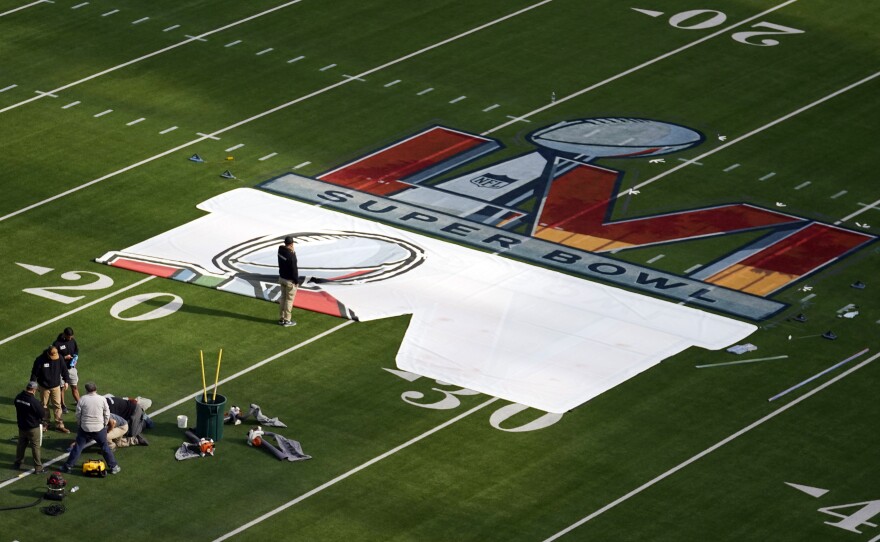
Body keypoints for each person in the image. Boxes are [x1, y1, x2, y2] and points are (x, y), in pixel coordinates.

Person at [59, 382, 120, 475]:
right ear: (96, 389)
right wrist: (104, 424)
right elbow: (107, 413)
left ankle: (68, 466)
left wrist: (80, 424)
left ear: (86, 390)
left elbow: (78, 414)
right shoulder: (102, 399)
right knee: (104, 447)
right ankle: (113, 467)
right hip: (99, 428)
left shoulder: (82, 399)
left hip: (85, 428)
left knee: (78, 447)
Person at [29, 346, 70, 433]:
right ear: (48, 353)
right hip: (44, 387)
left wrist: (66, 381)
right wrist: (32, 386)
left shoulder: (60, 358)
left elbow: (64, 370)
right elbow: (34, 374)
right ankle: (45, 423)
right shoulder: (40, 360)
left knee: (57, 405)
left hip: (56, 386)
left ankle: (59, 425)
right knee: (44, 406)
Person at [13, 381, 46, 473]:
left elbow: (16, 404)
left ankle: (17, 463)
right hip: (32, 428)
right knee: (35, 447)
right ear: (34, 390)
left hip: (22, 426)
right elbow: (42, 414)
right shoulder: (33, 401)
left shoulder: (18, 397)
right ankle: (38, 468)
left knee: (21, 445)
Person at [53, 327, 79, 414]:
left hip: (71, 368)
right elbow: (53, 357)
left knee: (74, 386)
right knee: (62, 388)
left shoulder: (72, 340)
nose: (70, 338)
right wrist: (64, 357)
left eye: (71, 337)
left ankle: (79, 404)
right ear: (64, 334)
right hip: (61, 369)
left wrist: (75, 359)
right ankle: (63, 405)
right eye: (69, 337)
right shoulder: (57, 344)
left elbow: (76, 350)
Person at [277, 235, 299, 327]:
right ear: (291, 244)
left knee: (283, 298)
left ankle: (282, 319)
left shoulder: (280, 251)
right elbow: (294, 270)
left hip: (282, 278)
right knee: (289, 300)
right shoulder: (291, 255)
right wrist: (296, 281)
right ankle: (287, 320)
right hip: (290, 281)